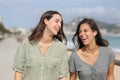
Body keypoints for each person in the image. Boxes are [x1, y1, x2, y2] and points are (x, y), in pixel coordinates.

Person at [13, 10, 69, 80]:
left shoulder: (61, 48)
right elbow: (18, 72)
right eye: (56, 21)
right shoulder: (27, 44)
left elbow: (63, 77)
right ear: (46, 21)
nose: (60, 25)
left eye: (61, 23)